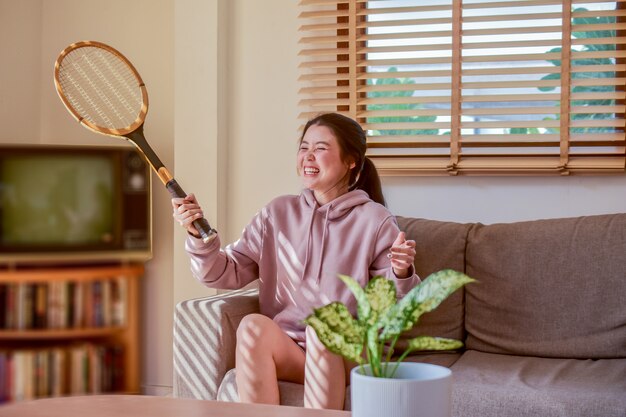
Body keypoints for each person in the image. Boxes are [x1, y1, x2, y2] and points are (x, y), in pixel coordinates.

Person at [172, 112, 419, 410]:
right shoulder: (277, 214)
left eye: (321, 148)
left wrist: (401, 271)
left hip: (353, 350)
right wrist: (199, 237)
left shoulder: (374, 220)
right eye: (304, 147)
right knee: (251, 326)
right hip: (293, 348)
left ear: (351, 160)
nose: (308, 156)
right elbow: (224, 273)